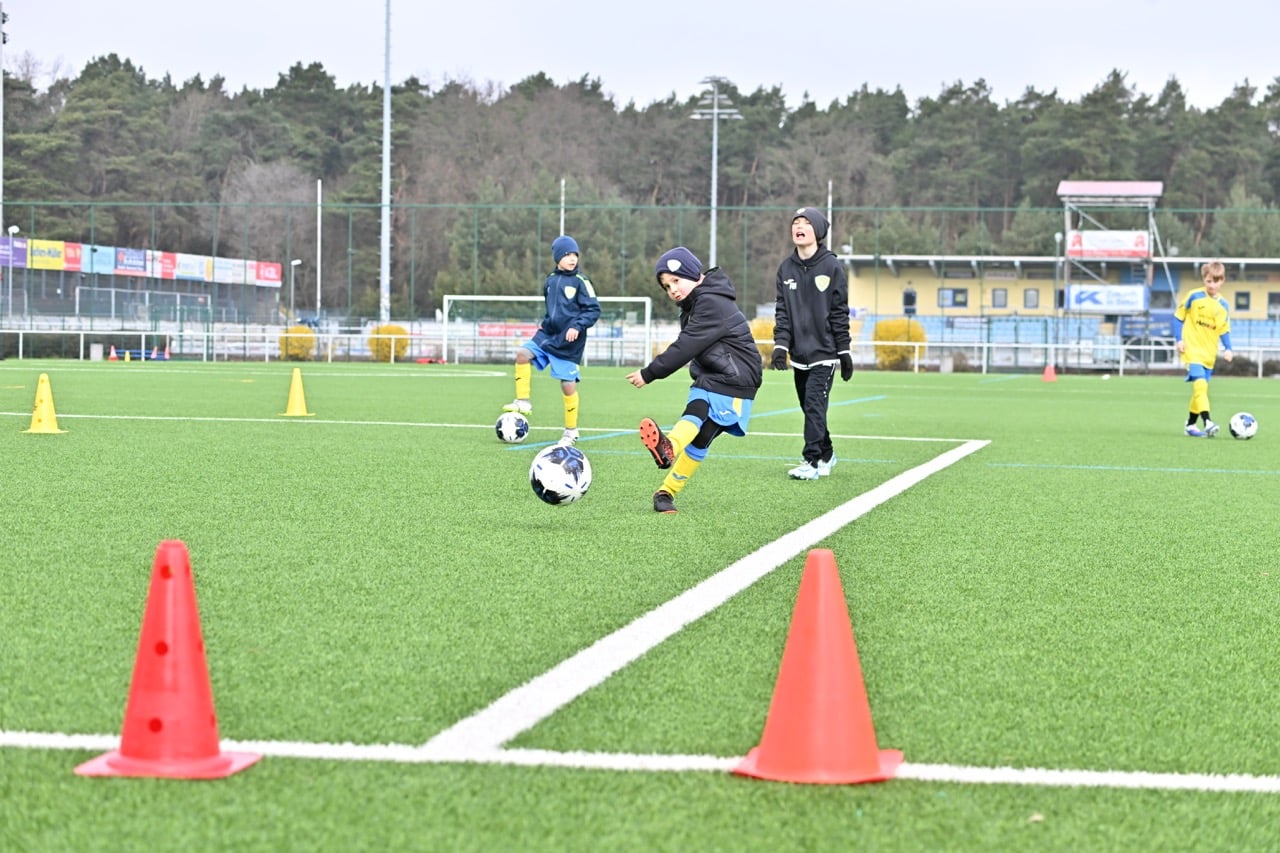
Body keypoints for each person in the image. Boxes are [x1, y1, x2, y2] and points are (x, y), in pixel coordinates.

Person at [626, 247, 763, 513]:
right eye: (667, 286)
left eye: (676, 280)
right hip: (711, 375)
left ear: (693, 274)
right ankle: (665, 489)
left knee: (700, 430)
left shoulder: (711, 302)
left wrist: (650, 372)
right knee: (697, 421)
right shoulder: (695, 304)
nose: (673, 290)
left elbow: (686, 345)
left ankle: (669, 461)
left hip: (735, 379)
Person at [770, 206, 853, 479]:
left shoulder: (832, 266)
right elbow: (782, 312)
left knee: (815, 405)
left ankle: (812, 462)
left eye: (805, 222)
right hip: (799, 356)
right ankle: (827, 453)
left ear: (817, 231)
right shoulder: (786, 269)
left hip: (825, 354)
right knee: (810, 408)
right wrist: (781, 346)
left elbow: (840, 311)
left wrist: (844, 351)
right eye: (795, 222)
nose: (799, 226)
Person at [503, 235, 601, 445]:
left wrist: (577, 325)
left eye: (575, 254)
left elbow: (594, 309)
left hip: (569, 343)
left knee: (567, 386)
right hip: (548, 334)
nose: (572, 258)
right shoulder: (550, 280)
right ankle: (523, 401)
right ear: (558, 257)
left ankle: (571, 431)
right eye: (567, 254)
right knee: (522, 354)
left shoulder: (582, 281)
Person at [1174, 259, 1234, 437]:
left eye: (1216, 281)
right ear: (1204, 280)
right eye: (1209, 281)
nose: (1212, 285)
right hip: (1191, 350)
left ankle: (1190, 425)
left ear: (1222, 280)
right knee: (1200, 385)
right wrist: (1179, 339)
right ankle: (1208, 422)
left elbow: (1224, 330)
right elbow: (1178, 317)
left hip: (1209, 354)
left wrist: (1228, 348)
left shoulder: (1223, 306)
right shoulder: (1194, 296)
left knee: (1201, 390)